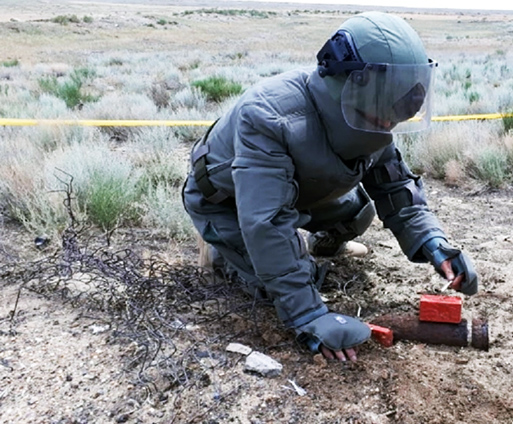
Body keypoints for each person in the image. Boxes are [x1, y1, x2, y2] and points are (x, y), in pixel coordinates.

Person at [182, 11, 478, 362]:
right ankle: (220, 249)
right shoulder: (268, 117)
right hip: (228, 201)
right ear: (346, 84)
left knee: (357, 212)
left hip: (293, 191)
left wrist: (434, 244)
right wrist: (308, 316)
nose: (386, 126)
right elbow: (267, 222)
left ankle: (315, 246)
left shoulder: (373, 111)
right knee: (272, 283)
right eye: (381, 116)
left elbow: (396, 187)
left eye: (392, 117)